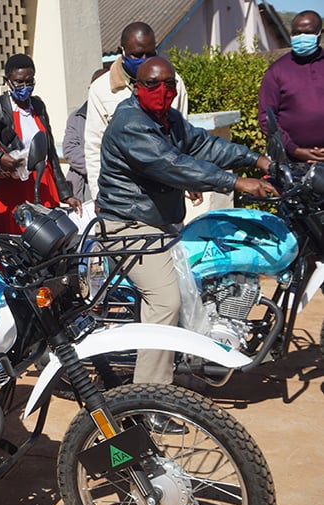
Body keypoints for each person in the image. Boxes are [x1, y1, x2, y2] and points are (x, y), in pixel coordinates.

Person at [97, 57, 277, 390]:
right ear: (138, 87)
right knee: (165, 301)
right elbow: (171, 164)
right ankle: (151, 397)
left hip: (160, 227)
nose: (162, 91)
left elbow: (205, 145)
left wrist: (257, 159)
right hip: (129, 228)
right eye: (153, 84)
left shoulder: (170, 119)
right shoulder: (130, 123)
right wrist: (236, 183)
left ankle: (184, 365)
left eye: (168, 84)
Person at [0, 53, 81, 234]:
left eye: (30, 82)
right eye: (19, 82)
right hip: (10, 188)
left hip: (42, 184)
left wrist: (65, 194)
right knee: (15, 241)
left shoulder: (38, 106)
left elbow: (50, 153)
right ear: (7, 80)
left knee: (47, 239)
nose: (25, 87)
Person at [84, 22, 188, 200]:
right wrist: (99, 195)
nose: (145, 60)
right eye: (137, 55)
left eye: (150, 53)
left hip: (165, 192)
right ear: (122, 51)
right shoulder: (101, 89)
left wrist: (188, 180)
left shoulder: (172, 82)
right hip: (122, 194)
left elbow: (182, 136)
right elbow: (94, 147)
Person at [258, 10, 324, 164]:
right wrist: (294, 149)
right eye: (296, 33)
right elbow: (266, 118)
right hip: (292, 160)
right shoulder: (277, 70)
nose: (301, 37)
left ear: (319, 34)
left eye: (307, 33)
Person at [62, 68, 106, 202]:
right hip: (84, 187)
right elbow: (70, 150)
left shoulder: (122, 114)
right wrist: (100, 167)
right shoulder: (77, 117)